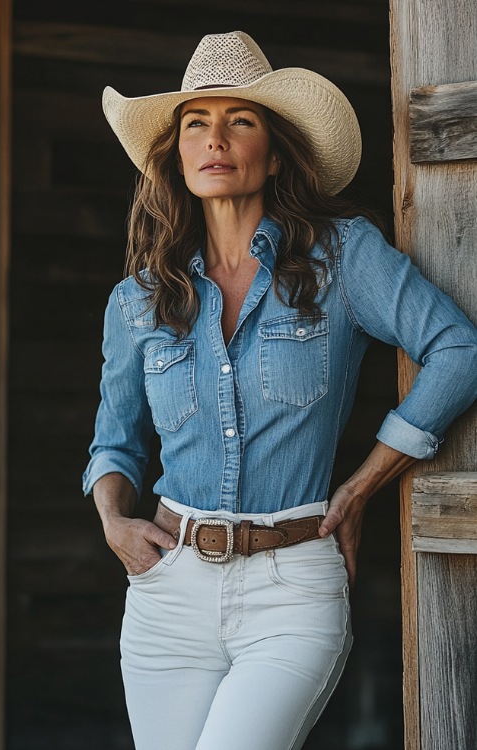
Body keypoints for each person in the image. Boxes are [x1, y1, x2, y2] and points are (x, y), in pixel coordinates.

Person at [83, 31, 477, 750]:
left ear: (274, 148)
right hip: (168, 592)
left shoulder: (344, 258)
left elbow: (458, 348)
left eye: (242, 120)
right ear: (175, 152)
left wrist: (362, 485)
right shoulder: (138, 299)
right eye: (196, 123)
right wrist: (113, 521)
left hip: (292, 587)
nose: (216, 139)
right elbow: (115, 441)